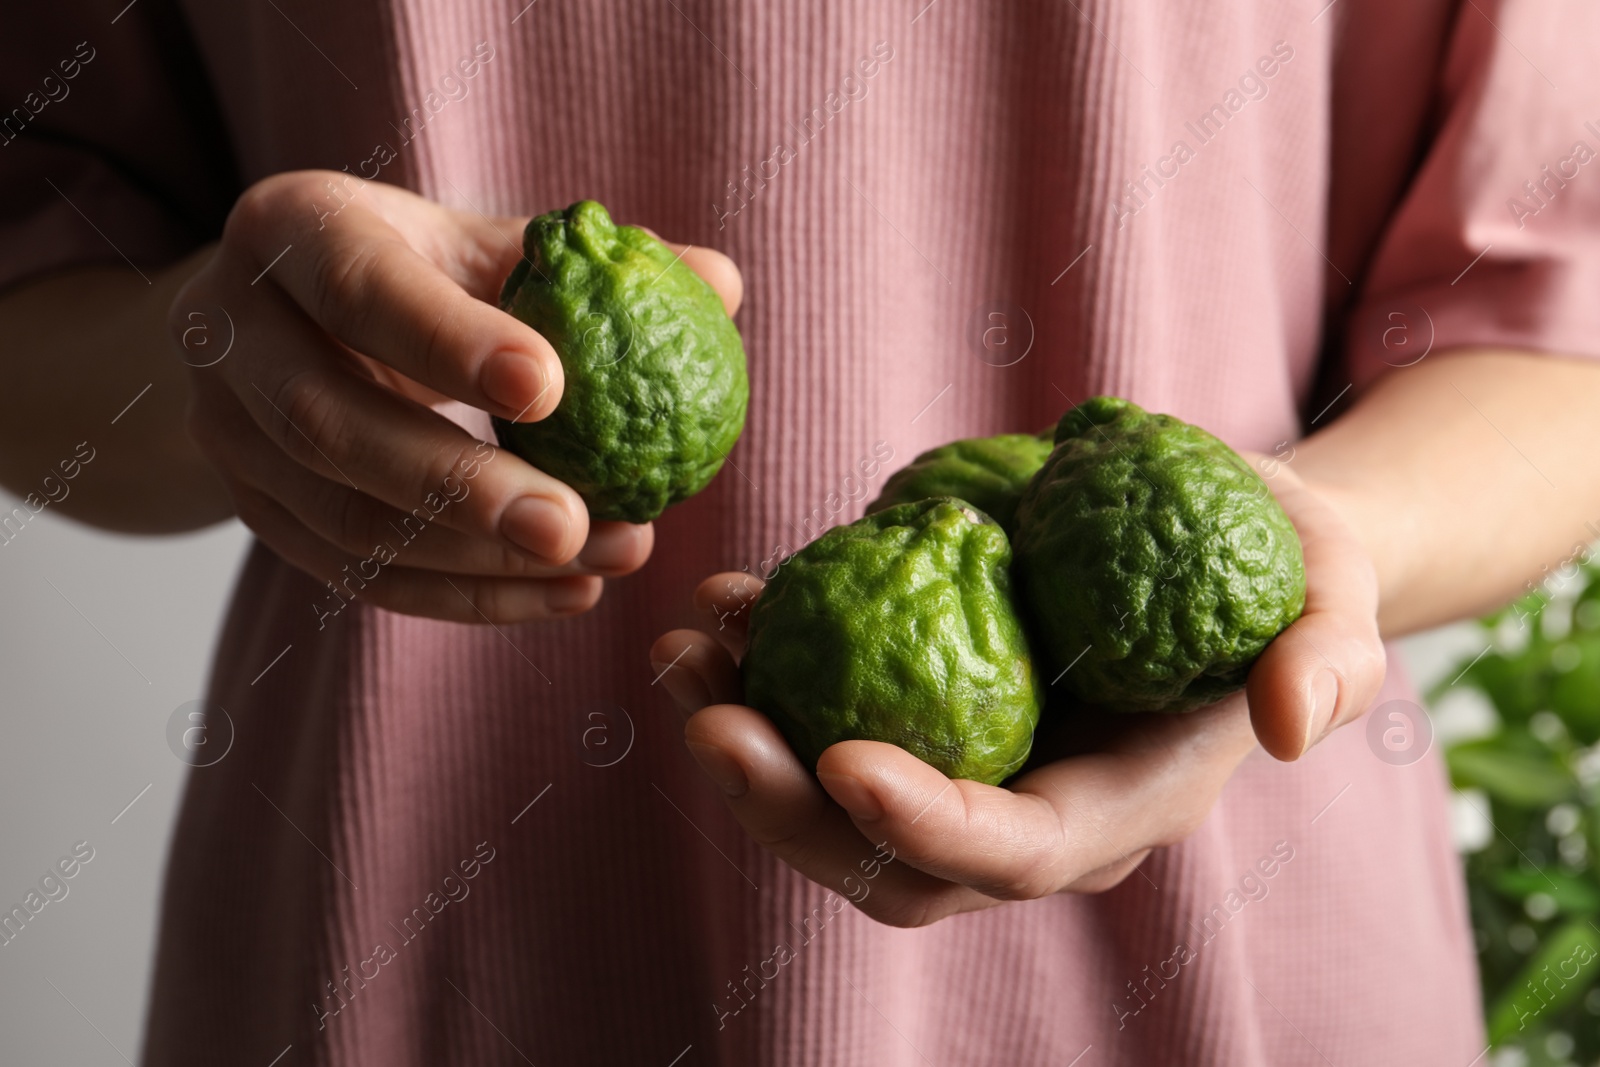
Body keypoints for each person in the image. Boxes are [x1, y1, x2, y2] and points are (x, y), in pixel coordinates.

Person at [3, 1, 1597, 1063]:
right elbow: (34, 303)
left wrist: (1325, 542)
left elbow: (1555, 324)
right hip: (412, 937)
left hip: (1226, 912)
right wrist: (224, 350)